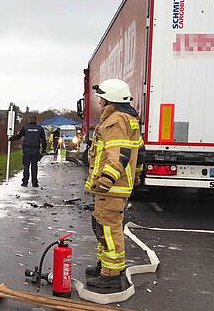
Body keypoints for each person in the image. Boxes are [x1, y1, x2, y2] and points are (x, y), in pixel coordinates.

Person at [83, 78, 144, 292]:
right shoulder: (128, 120)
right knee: (101, 225)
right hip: (115, 186)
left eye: (103, 99)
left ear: (112, 100)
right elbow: (140, 153)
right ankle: (105, 266)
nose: (100, 102)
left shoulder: (116, 120)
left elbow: (118, 155)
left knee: (108, 229)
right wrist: (135, 176)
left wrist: (106, 180)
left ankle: (111, 275)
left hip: (111, 187)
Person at [8, 117, 47, 187]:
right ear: (36, 120)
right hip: (35, 150)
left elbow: (18, 136)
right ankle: (34, 183)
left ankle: (25, 182)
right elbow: (44, 141)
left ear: (29, 120)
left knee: (26, 166)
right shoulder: (40, 128)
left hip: (27, 150)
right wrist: (43, 150)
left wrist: (10, 138)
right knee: (34, 166)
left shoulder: (25, 128)